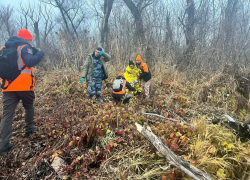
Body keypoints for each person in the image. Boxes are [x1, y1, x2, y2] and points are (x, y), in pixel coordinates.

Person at [0, 29, 45, 155]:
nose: (31, 42)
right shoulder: (24, 47)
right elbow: (31, 61)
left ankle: (3, 145)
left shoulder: (3, 48)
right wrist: (40, 53)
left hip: (8, 87)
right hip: (24, 86)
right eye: (30, 40)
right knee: (29, 107)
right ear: (26, 39)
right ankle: (29, 129)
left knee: (7, 115)